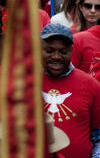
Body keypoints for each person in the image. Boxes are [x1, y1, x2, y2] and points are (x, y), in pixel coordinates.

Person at [39, 24, 100, 157]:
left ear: (71, 51)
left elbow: (98, 136)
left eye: (63, 51)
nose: (56, 56)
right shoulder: (26, 84)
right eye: (49, 51)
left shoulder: (91, 85)